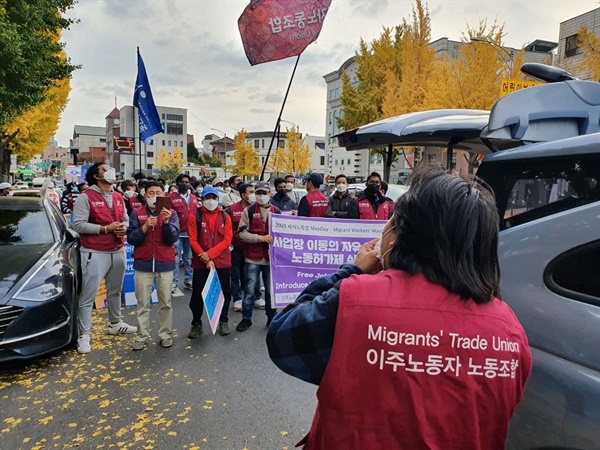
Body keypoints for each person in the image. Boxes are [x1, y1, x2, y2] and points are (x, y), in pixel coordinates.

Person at [267, 167, 532, 449]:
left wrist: (352, 270)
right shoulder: (511, 333)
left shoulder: (356, 301)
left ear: (401, 236)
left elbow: (284, 338)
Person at [72, 163, 136, 354]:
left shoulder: (118, 196)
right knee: (88, 295)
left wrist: (123, 227)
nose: (110, 171)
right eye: (105, 169)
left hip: (117, 249)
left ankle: (115, 324)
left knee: (115, 291)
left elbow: (125, 218)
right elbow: (79, 226)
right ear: (96, 176)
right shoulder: (85, 197)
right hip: (94, 251)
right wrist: (105, 229)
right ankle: (84, 335)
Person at [126, 181, 180, 350]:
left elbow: (173, 238)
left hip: (165, 263)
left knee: (166, 302)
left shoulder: (171, 213)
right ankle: (142, 336)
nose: (155, 196)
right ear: (145, 195)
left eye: (158, 192)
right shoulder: (137, 213)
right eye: (151, 193)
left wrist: (165, 223)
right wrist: (144, 228)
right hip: (143, 263)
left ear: (164, 195)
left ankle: (165, 335)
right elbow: (131, 239)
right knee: (142, 303)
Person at [188, 186, 234, 338]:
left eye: (213, 198)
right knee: (197, 294)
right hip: (200, 262)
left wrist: (209, 255)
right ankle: (196, 323)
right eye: (207, 198)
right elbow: (193, 240)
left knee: (226, 292)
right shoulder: (194, 216)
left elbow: (227, 240)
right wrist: (204, 257)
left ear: (218, 199)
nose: (211, 201)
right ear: (202, 200)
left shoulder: (225, 217)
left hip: (221, 261)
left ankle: (223, 320)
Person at [237, 181, 280, 331]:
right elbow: (241, 234)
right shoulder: (248, 211)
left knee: (270, 291)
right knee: (249, 290)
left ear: (270, 194)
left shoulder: (277, 212)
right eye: (258, 193)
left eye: (264, 193)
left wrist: (275, 249)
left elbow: (283, 237)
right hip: (252, 258)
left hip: (270, 259)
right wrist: (259, 238)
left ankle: (272, 318)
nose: (261, 196)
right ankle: (246, 318)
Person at [169, 173, 198, 292]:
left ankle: (188, 280)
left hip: (190, 233)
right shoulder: (170, 197)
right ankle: (174, 282)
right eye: (182, 182)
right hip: (177, 233)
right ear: (177, 184)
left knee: (189, 258)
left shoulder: (194, 197)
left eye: (187, 182)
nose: (185, 184)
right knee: (175, 258)